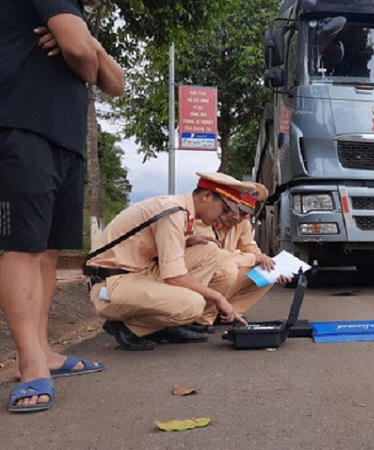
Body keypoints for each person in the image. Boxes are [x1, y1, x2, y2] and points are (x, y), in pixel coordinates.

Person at [0, 0, 124, 413]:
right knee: (24, 247)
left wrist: (92, 48)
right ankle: (30, 363)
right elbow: (79, 54)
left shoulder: (73, 10)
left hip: (65, 140)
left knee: (49, 252)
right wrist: (85, 53)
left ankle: (44, 351)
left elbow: (116, 84)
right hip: (23, 128)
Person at [86, 173, 255, 352]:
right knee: (193, 304)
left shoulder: (179, 209)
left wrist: (186, 241)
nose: (225, 216)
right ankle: (130, 328)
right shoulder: (172, 213)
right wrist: (219, 298)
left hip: (134, 274)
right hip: (110, 285)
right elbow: (174, 277)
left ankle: (163, 325)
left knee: (209, 251)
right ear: (206, 196)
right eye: (225, 209)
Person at [190, 186, 292, 333]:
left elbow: (251, 249)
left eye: (244, 214)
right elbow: (216, 256)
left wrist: (274, 267)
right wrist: (253, 258)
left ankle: (230, 313)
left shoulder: (242, 223)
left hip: (219, 277)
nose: (237, 217)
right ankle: (201, 319)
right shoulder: (204, 220)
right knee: (228, 269)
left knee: (267, 271)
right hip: (198, 278)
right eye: (233, 210)